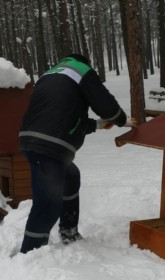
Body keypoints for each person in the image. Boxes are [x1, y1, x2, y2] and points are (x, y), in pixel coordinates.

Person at [18, 54, 129, 253]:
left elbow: (63, 116)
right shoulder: (80, 69)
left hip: (30, 140)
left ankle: (68, 230)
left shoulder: (50, 75)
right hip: (50, 147)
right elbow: (105, 104)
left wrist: (98, 125)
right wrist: (122, 120)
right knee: (48, 202)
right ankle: (30, 253)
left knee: (71, 175)